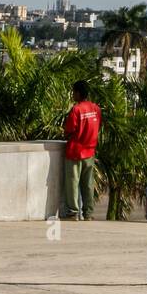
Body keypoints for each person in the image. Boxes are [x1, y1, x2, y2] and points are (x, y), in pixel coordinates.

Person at [62, 80, 101, 221]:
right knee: (88, 184)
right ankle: (88, 213)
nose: (73, 94)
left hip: (75, 151)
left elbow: (69, 130)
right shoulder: (96, 109)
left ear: (78, 93)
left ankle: (73, 212)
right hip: (90, 151)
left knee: (73, 182)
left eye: (73, 92)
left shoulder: (76, 109)